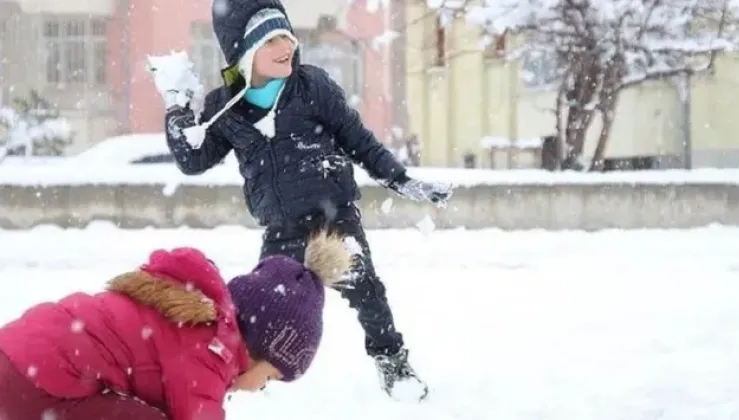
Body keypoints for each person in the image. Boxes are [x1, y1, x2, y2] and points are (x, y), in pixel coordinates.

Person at [152, 0, 452, 401]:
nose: (286, 46)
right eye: (272, 39)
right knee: (257, 310)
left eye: (287, 36)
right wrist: (176, 105)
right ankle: (243, 371)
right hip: (281, 229)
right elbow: (192, 159)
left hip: (334, 221)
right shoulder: (226, 109)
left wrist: (402, 180)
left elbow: (359, 142)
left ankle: (391, 360)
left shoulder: (312, 87)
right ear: (244, 52)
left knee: (368, 293)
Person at [0, 231, 351, 420]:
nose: (263, 387)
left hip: (19, 358)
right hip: (34, 386)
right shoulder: (210, 349)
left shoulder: (196, 320)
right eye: (272, 376)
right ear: (256, 346)